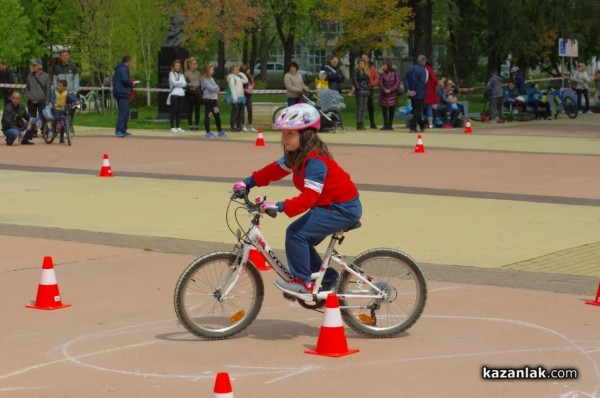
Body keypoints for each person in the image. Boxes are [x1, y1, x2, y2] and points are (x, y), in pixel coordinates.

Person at [232, 103, 361, 295]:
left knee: (296, 234)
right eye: (283, 133)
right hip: (326, 206)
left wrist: (280, 206)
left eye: (289, 134)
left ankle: (303, 283)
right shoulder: (297, 155)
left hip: (342, 208)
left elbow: (308, 198)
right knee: (301, 237)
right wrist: (247, 182)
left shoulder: (315, 161)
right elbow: (273, 171)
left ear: (306, 135)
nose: (283, 139)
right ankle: (329, 279)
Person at [200, 63, 227, 138]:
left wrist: (215, 87)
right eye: (212, 70)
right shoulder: (203, 79)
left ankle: (220, 131)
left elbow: (217, 89)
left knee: (217, 114)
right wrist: (215, 87)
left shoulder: (211, 79)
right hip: (208, 100)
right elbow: (211, 88)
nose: (213, 71)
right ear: (208, 70)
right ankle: (208, 132)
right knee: (208, 115)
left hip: (214, 100)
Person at [403, 54, 428, 133]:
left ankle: (422, 125)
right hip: (419, 93)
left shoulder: (411, 68)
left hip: (411, 93)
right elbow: (422, 82)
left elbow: (405, 79)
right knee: (417, 110)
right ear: (423, 61)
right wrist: (416, 91)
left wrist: (408, 89)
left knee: (415, 109)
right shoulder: (423, 70)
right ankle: (412, 126)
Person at [25, 59, 51, 133]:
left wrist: (47, 100)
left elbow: (48, 89)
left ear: (40, 66)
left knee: (42, 116)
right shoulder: (29, 75)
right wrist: (27, 95)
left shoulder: (46, 76)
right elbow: (27, 87)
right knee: (32, 116)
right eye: (33, 65)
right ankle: (33, 131)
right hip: (31, 100)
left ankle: (44, 130)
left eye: (35, 65)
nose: (33, 66)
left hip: (42, 100)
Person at [49, 79, 80, 144]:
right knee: (57, 117)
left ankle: (61, 139)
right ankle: (52, 128)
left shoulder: (67, 93)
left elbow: (72, 97)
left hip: (63, 110)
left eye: (60, 86)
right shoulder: (55, 92)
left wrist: (76, 101)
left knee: (63, 123)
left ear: (64, 87)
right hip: (55, 109)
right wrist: (54, 103)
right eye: (58, 85)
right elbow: (52, 98)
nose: (58, 87)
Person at [112, 55, 133, 137]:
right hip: (122, 92)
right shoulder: (124, 69)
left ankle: (123, 129)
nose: (131, 63)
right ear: (128, 61)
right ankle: (119, 130)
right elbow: (125, 80)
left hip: (118, 92)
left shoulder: (118, 68)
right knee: (123, 112)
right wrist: (131, 83)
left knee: (125, 112)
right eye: (130, 61)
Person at [378, 59, 401, 130]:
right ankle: (385, 124)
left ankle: (390, 124)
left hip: (392, 94)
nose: (383, 66)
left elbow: (397, 83)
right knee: (384, 109)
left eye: (385, 65)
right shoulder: (382, 74)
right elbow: (380, 82)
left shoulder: (395, 73)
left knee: (392, 109)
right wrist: (384, 89)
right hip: (384, 94)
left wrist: (391, 90)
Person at [226, 65, 248, 132]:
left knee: (240, 113)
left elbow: (246, 80)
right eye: (236, 70)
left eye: (238, 70)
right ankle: (232, 126)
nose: (237, 71)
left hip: (241, 97)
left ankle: (239, 126)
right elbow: (232, 88)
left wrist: (241, 73)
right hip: (235, 98)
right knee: (235, 113)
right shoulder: (232, 78)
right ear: (232, 71)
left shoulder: (238, 77)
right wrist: (234, 98)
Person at [167, 59, 186, 133]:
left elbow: (185, 83)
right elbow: (174, 83)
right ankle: (172, 127)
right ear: (173, 66)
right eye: (176, 66)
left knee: (179, 111)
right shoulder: (171, 74)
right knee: (173, 111)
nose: (177, 67)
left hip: (181, 94)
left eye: (178, 66)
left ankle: (178, 126)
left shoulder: (181, 74)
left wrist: (179, 83)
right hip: (174, 94)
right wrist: (180, 83)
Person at [352, 58, 371, 130]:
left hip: (366, 90)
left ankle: (362, 122)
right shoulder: (356, 72)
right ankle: (358, 123)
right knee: (360, 107)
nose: (362, 65)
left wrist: (368, 87)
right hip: (359, 91)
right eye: (360, 64)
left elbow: (368, 81)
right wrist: (359, 88)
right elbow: (355, 80)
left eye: (363, 64)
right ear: (358, 65)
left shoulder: (366, 72)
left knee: (364, 108)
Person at [361, 53, 379, 129]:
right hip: (362, 89)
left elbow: (376, 78)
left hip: (370, 89)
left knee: (371, 107)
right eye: (362, 58)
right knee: (362, 107)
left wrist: (372, 84)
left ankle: (372, 123)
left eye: (365, 58)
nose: (364, 59)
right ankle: (360, 123)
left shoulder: (372, 68)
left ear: (368, 59)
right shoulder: (359, 68)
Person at [184, 57, 202, 131]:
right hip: (190, 92)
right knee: (190, 109)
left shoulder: (198, 73)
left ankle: (197, 125)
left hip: (197, 92)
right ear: (190, 65)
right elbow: (184, 83)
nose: (196, 65)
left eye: (196, 63)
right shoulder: (186, 73)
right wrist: (189, 84)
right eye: (194, 63)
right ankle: (190, 125)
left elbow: (199, 82)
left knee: (197, 109)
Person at [240, 64, 257, 132]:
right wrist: (245, 90)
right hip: (242, 95)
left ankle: (250, 125)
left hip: (249, 96)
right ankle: (243, 125)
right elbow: (239, 86)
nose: (249, 70)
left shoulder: (250, 76)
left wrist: (252, 86)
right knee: (242, 111)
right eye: (248, 69)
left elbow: (252, 83)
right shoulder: (240, 77)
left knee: (250, 110)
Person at [423, 60, 439, 129]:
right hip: (429, 91)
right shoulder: (430, 69)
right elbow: (434, 80)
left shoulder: (421, 69)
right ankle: (430, 124)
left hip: (421, 90)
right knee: (429, 108)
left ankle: (421, 123)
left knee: (420, 108)